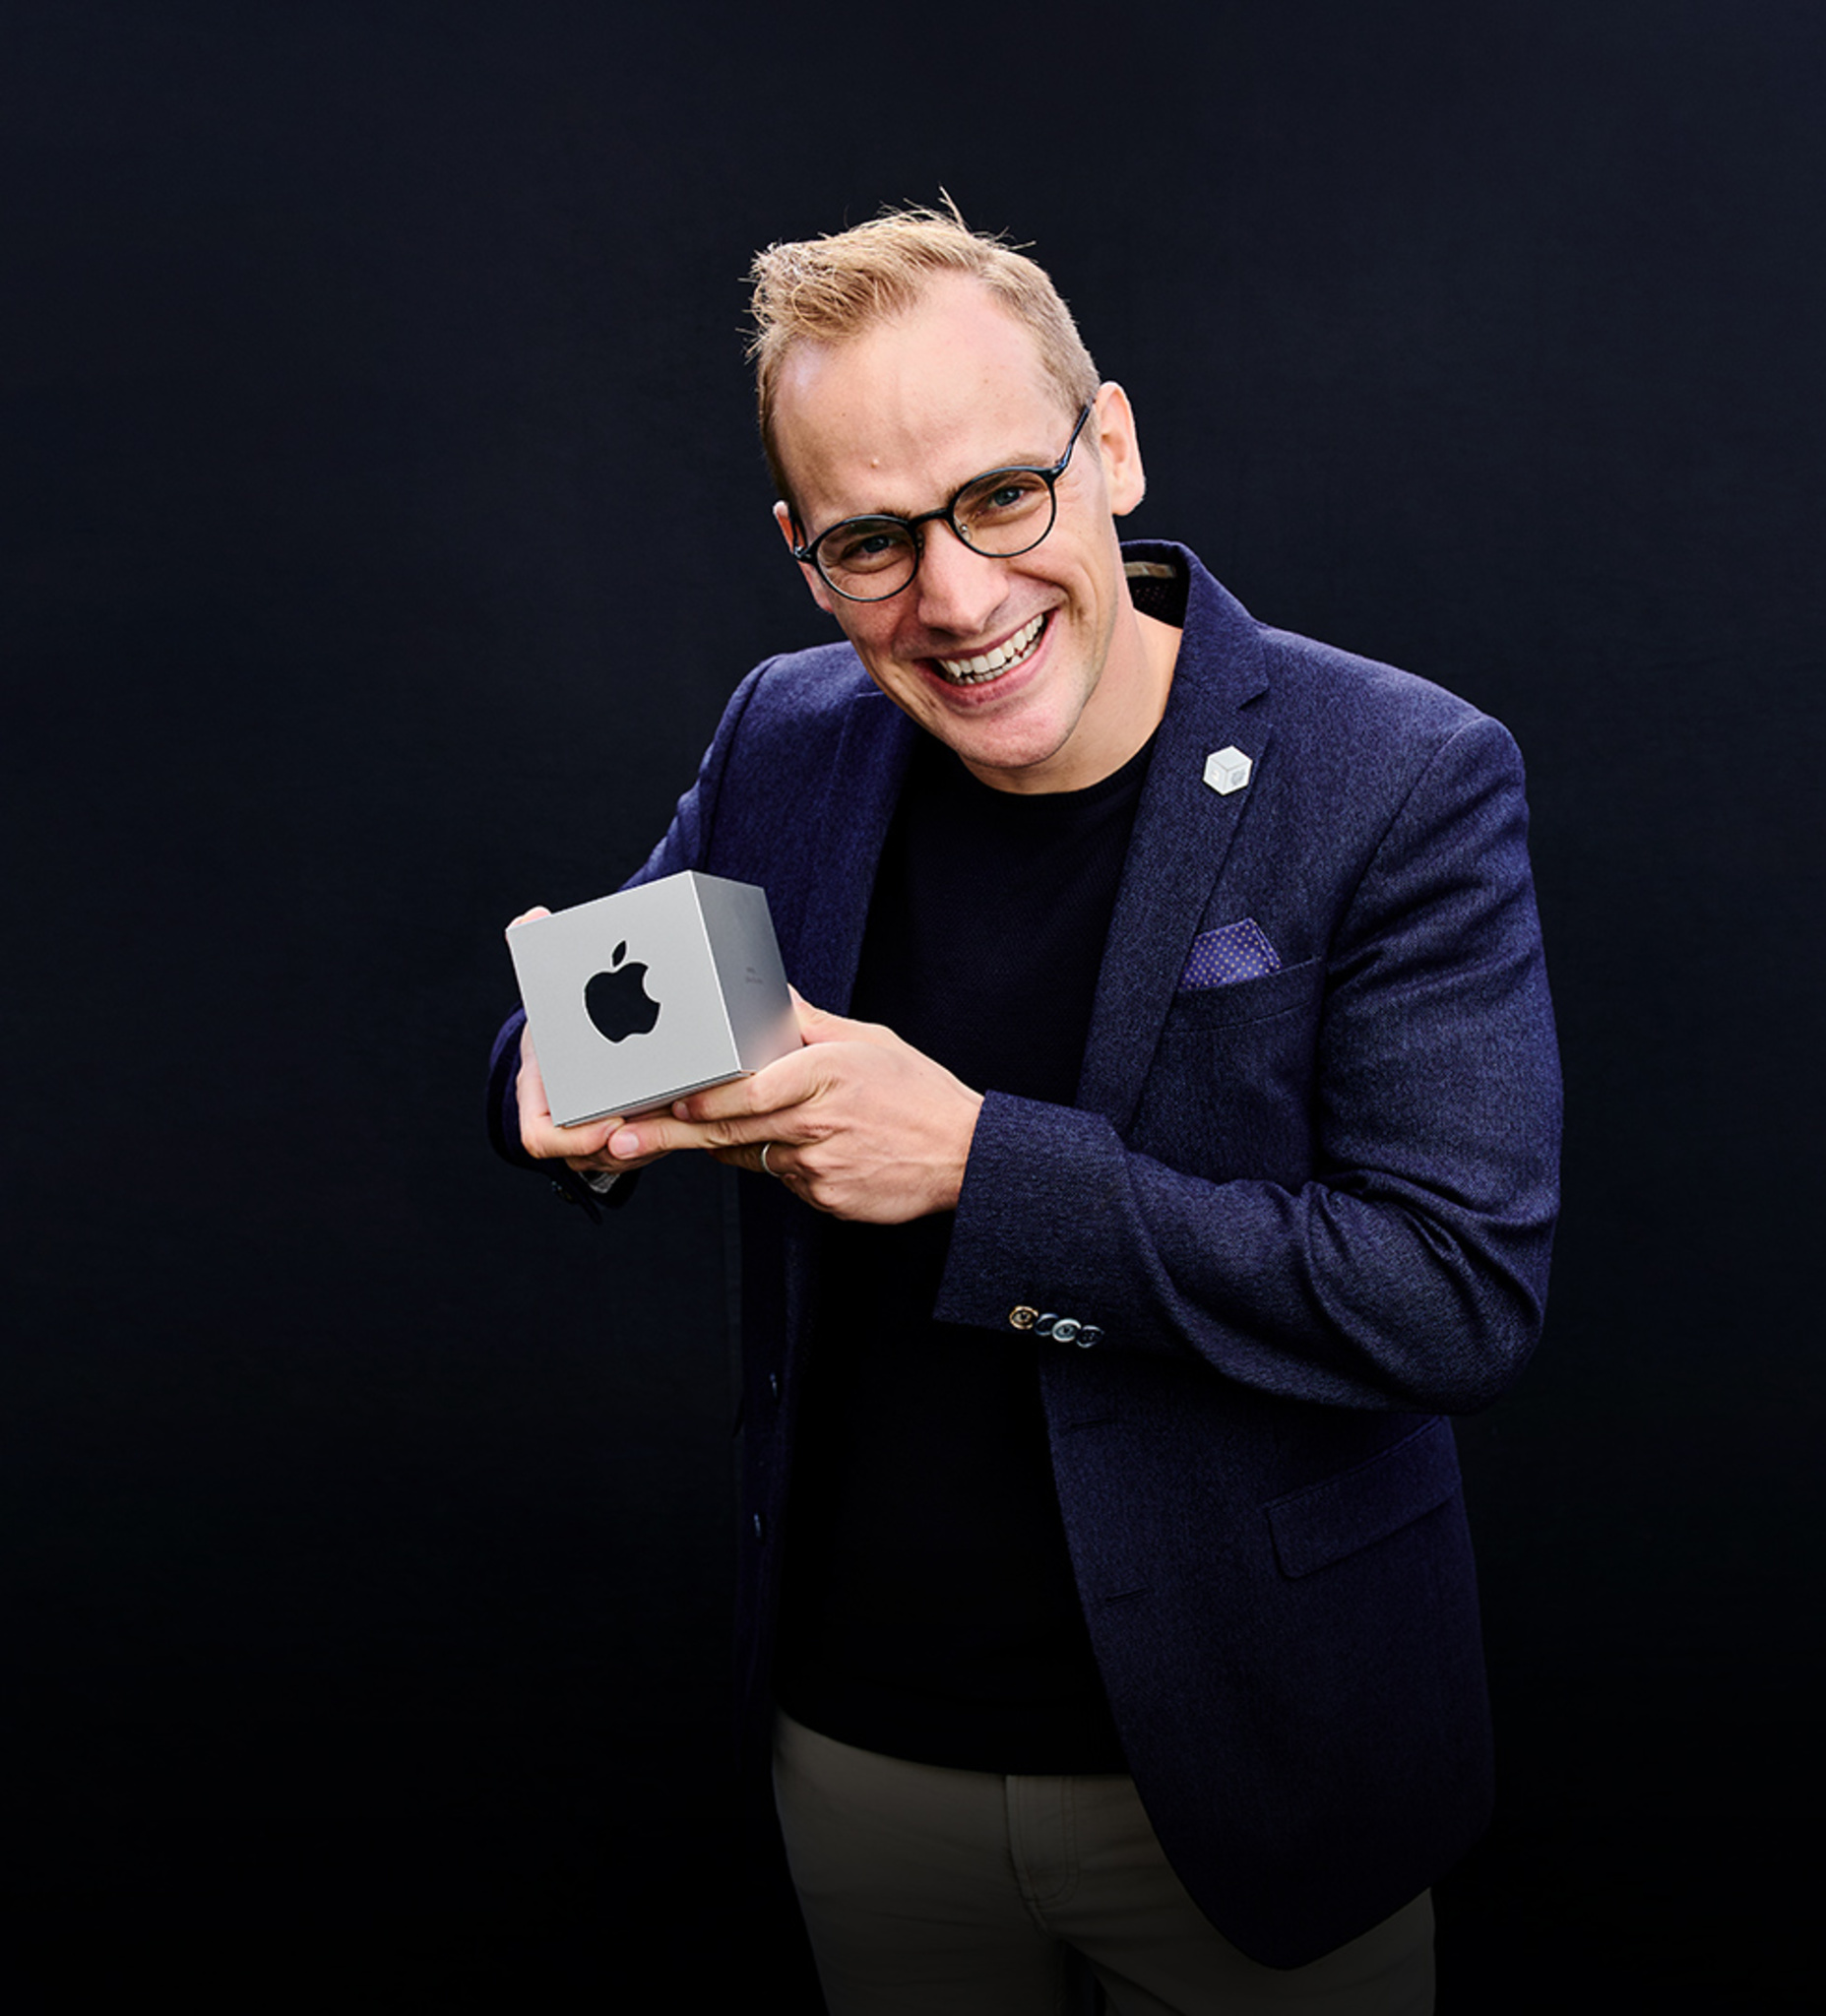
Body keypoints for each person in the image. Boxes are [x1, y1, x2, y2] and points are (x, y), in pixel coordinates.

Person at [486, 204, 1560, 2013]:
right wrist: (555, 1083)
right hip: (859, 1747)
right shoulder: (786, 734)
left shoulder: (1399, 776)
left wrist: (979, 1168)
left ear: (1112, 445)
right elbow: (603, 1003)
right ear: (801, 554)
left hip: (1253, 1767)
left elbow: (1454, 1290)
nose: (960, 598)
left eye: (1005, 495)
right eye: (872, 542)